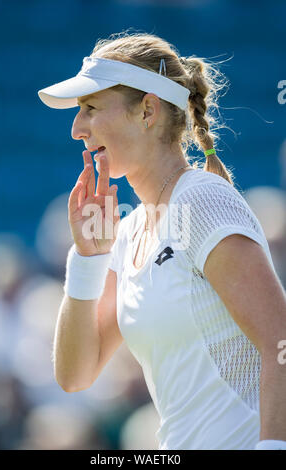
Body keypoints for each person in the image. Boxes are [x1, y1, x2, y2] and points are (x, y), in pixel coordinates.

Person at [38, 32, 286, 450]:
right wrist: (87, 257)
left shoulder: (201, 199)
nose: (77, 128)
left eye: (91, 108)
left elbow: (279, 342)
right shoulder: (130, 229)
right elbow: (75, 374)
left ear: (147, 111)